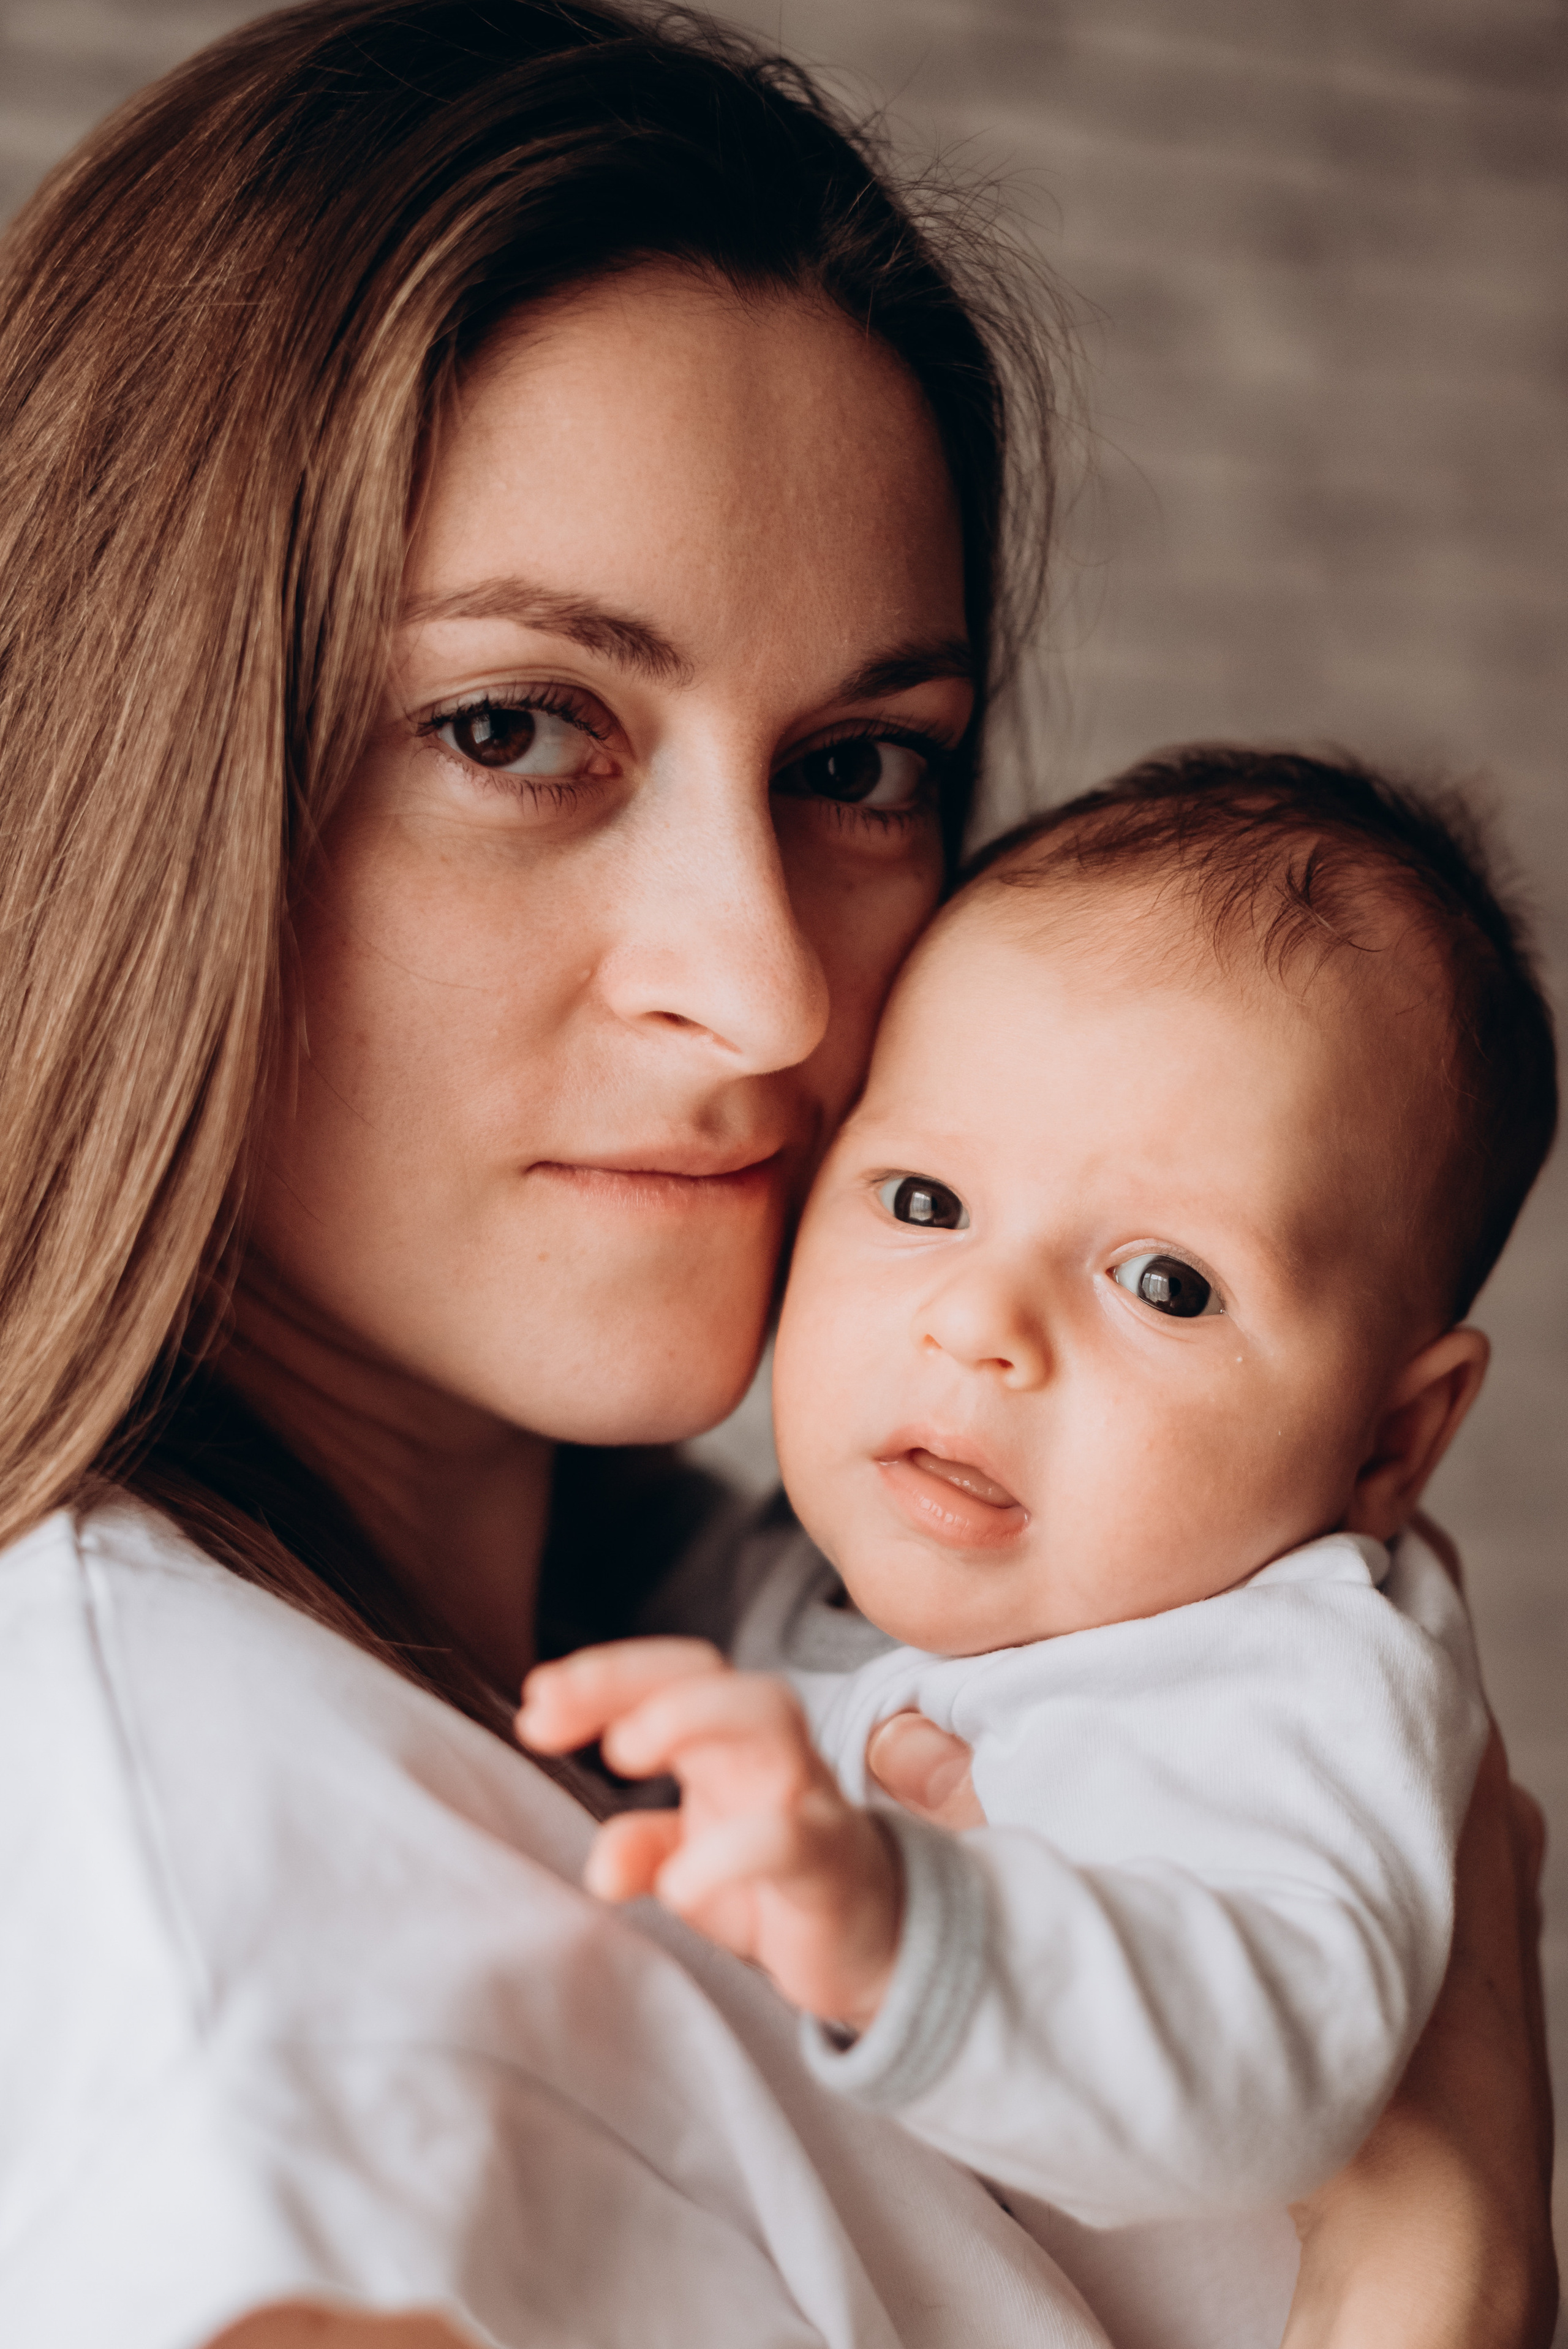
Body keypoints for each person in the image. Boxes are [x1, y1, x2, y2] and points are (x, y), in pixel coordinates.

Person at [0, 2, 1553, 2343]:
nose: (771, 994)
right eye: (515, 728)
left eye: (857, 765)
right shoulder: (219, 1940)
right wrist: (1449, 2261)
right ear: (140, 769)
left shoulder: (779, 1625)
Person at [521, 749, 1558, 2348]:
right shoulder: (808, 1575)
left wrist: (911, 1930)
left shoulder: (1289, 1676)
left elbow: (1278, 2061)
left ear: (1387, 1443)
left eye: (1165, 1284)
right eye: (924, 1199)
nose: (981, 1320)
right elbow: (654, 1586)